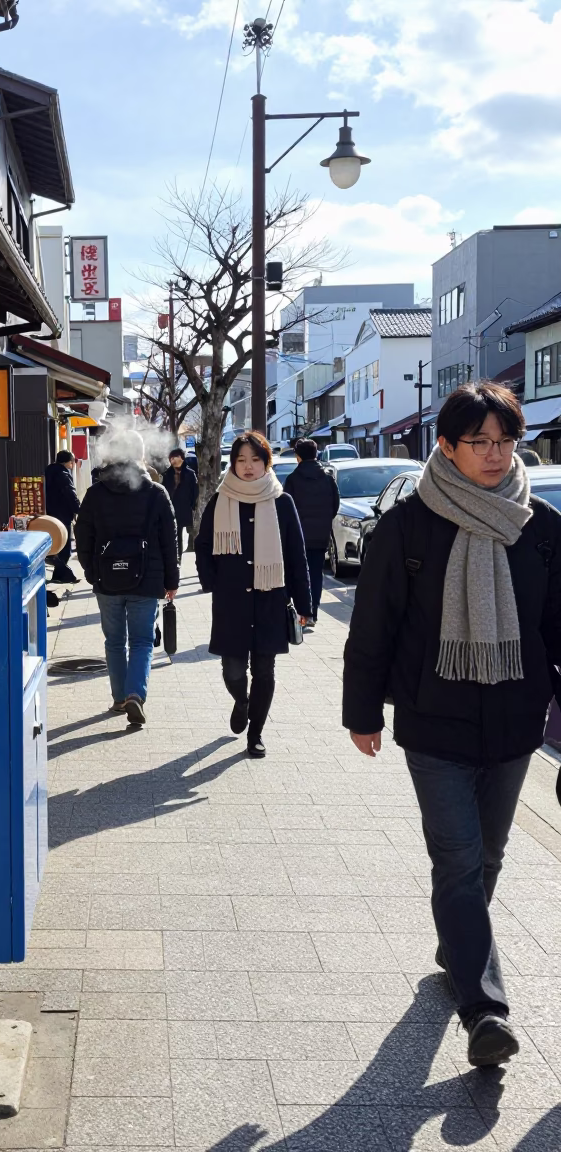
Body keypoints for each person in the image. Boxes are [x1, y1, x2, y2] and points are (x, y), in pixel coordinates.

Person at [343, 382, 561, 1069]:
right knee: (460, 862)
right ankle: (485, 1011)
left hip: (517, 719)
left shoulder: (542, 526)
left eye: (506, 441)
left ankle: (457, 948)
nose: (496, 455)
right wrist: (362, 710)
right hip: (433, 722)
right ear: (446, 445)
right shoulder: (409, 525)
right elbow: (374, 624)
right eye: (480, 442)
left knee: (488, 858)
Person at [195, 431, 312, 758]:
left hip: (270, 601)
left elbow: (296, 555)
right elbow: (202, 546)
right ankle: (242, 702)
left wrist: (305, 606)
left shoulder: (282, 502)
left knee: (264, 671)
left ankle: (255, 735)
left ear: (266, 463)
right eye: (241, 460)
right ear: (233, 464)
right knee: (232, 671)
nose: (248, 467)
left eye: (255, 460)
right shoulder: (221, 500)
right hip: (231, 602)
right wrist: (214, 582)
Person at [75, 431, 179, 726]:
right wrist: (171, 580)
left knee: (115, 640)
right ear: (141, 456)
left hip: (106, 580)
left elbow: (82, 536)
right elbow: (169, 543)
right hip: (147, 580)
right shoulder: (157, 493)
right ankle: (136, 694)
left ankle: (119, 698)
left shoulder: (96, 493)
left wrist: (91, 571)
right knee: (143, 640)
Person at [283, 438, 340, 629]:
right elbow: (335, 506)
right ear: (316, 455)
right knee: (315, 574)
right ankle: (312, 613)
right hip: (320, 535)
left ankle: (298, 613)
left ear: (298, 457)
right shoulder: (327, 479)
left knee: (297, 573)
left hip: (297, 536)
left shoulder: (292, 479)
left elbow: (285, 510)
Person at [44, 451, 81, 584]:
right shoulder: (64, 475)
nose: (73, 464)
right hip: (62, 515)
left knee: (55, 545)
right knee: (64, 547)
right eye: (73, 462)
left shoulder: (48, 472)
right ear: (68, 462)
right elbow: (70, 494)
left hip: (49, 514)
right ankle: (62, 575)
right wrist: (78, 510)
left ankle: (60, 574)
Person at [162, 447, 199, 562]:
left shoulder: (190, 474)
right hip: (171, 509)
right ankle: (177, 558)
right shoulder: (167, 474)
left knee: (188, 533)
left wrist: (192, 505)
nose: (173, 460)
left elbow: (195, 491)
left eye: (175, 457)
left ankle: (184, 557)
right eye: (171, 458)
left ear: (181, 458)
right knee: (175, 536)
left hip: (185, 508)